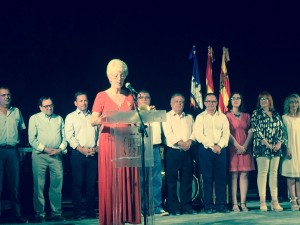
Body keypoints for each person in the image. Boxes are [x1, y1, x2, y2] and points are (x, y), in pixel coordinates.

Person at [90, 59, 141, 225]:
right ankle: (112, 217)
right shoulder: (101, 96)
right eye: (116, 75)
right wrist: (108, 118)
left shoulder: (129, 96)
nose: (119, 78)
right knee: (112, 180)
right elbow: (93, 120)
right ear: (109, 77)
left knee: (128, 180)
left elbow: (134, 120)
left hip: (127, 143)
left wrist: (142, 119)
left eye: (122, 75)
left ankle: (127, 215)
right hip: (109, 142)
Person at [28, 96, 67, 222]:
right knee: (39, 186)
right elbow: (32, 139)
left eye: (51, 105)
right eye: (46, 106)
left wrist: (59, 149)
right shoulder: (34, 118)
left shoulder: (59, 118)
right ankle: (40, 214)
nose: (49, 108)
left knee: (56, 185)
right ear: (40, 107)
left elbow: (64, 137)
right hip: (40, 155)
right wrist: (44, 149)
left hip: (56, 155)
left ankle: (56, 213)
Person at [65, 91, 99, 220]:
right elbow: (69, 136)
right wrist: (82, 149)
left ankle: (90, 211)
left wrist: (96, 148)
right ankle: (77, 212)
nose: (83, 103)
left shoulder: (94, 117)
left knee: (91, 184)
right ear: (75, 103)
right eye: (80, 101)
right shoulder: (70, 117)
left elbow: (99, 135)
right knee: (78, 183)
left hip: (93, 153)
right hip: (78, 154)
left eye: (85, 100)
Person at [194, 93, 230, 214]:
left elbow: (226, 133)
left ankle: (221, 205)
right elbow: (199, 135)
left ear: (216, 103)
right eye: (208, 101)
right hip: (206, 150)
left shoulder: (223, 117)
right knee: (207, 178)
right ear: (204, 103)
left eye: (213, 101)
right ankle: (208, 206)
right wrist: (212, 146)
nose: (211, 104)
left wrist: (219, 145)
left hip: (221, 149)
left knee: (221, 178)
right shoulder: (200, 117)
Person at [161, 93, 196, 216]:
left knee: (186, 180)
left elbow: (194, 132)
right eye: (176, 101)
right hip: (172, 152)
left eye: (181, 101)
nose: (179, 104)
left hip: (187, 152)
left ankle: (186, 207)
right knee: (171, 181)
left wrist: (190, 142)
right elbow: (168, 134)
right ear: (171, 103)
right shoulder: (166, 117)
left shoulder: (189, 117)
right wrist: (181, 143)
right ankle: (173, 207)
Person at [251, 91, 285, 212]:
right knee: (263, 173)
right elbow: (256, 130)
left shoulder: (275, 113)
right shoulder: (256, 113)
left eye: (266, 99)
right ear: (259, 102)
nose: (264, 101)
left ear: (270, 101)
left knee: (274, 173)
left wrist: (279, 143)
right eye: (261, 99)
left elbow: (282, 130)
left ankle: (274, 201)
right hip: (262, 147)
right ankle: (262, 201)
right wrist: (268, 144)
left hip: (276, 148)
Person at [137, 90, 169, 216]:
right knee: (140, 179)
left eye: (146, 97)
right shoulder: (134, 114)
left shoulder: (157, 114)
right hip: (140, 149)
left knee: (156, 179)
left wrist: (153, 114)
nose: (144, 100)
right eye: (141, 97)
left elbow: (162, 132)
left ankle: (156, 207)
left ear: (150, 100)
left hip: (155, 148)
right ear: (137, 100)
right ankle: (141, 208)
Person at [0, 86, 28, 224]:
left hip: (13, 151)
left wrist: (20, 149)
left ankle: (17, 214)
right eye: (3, 95)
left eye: (8, 95)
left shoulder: (16, 112)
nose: (6, 97)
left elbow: (22, 131)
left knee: (15, 185)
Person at [225, 92, 255, 212]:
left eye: (238, 98)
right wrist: (237, 145)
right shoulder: (226, 115)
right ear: (230, 100)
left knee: (244, 174)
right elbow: (227, 133)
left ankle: (243, 203)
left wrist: (245, 145)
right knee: (234, 175)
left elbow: (251, 131)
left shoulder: (247, 116)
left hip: (245, 148)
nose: (236, 100)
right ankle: (234, 203)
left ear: (241, 100)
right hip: (233, 148)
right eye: (234, 98)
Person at [280, 93, 300, 211]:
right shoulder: (284, 118)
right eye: (292, 102)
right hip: (290, 148)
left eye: (296, 102)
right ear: (288, 104)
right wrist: (286, 148)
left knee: (299, 175)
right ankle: (293, 200)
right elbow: (283, 135)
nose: (294, 104)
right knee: (291, 174)